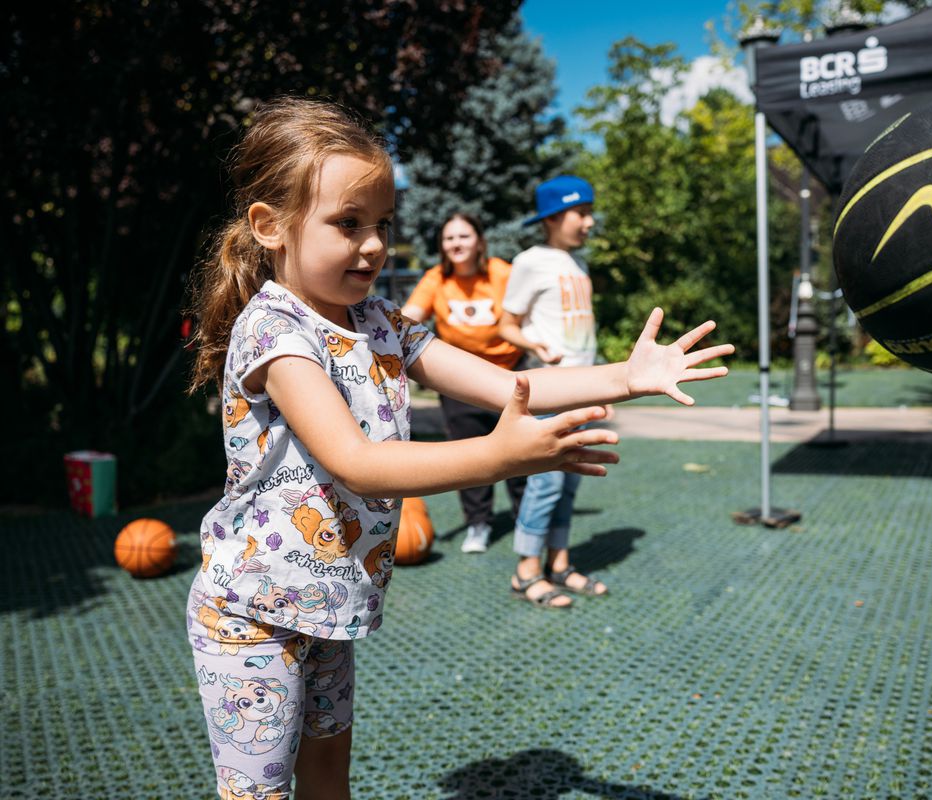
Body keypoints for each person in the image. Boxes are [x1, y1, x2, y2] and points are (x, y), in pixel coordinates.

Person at [183, 97, 733, 800]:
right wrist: (498, 459)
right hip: (252, 614)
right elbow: (356, 460)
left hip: (326, 606)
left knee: (327, 773)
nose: (374, 244)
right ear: (271, 227)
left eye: (381, 223)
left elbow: (508, 384)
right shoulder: (277, 332)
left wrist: (626, 376)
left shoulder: (380, 320)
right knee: (258, 794)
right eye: (348, 224)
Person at [498, 175, 608, 609]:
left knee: (570, 484)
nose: (589, 222)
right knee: (545, 483)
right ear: (553, 218)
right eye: (581, 213)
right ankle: (526, 572)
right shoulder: (530, 261)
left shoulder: (578, 264)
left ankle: (560, 564)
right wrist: (534, 344)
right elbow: (507, 324)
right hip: (548, 390)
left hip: (585, 390)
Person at [400, 213, 525, 553]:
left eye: (464, 236)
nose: (456, 244)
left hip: (510, 376)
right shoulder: (437, 278)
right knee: (471, 454)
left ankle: (525, 519)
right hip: (461, 379)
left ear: (480, 241)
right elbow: (408, 317)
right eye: (449, 238)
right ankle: (478, 524)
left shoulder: (503, 274)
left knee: (520, 451)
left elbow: (529, 310)